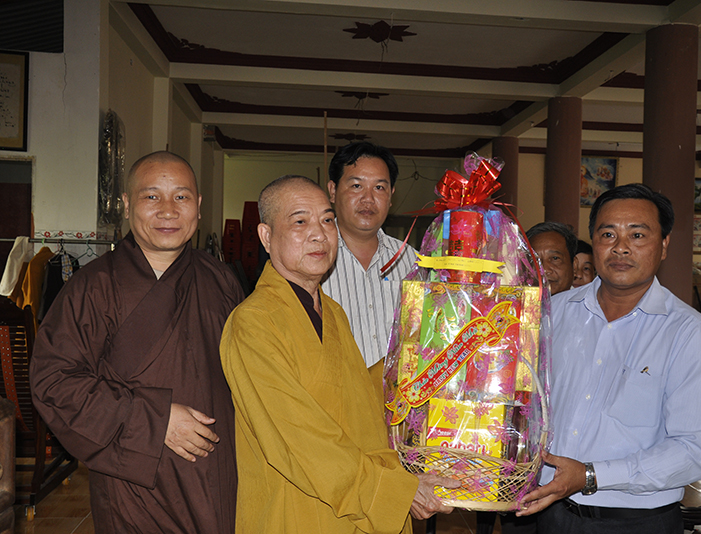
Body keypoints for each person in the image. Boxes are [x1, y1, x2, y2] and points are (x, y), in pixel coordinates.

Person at [220, 175, 458, 534]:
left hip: (350, 511)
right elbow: (299, 441)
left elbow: (353, 395)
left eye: (327, 220)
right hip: (297, 511)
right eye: (300, 222)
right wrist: (393, 492)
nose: (319, 234)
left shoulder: (331, 311)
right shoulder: (252, 323)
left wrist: (427, 358)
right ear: (266, 237)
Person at [30, 151, 244, 533]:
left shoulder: (221, 279)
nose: (168, 210)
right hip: (136, 486)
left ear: (198, 205)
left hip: (218, 476)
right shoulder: (93, 286)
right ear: (128, 205)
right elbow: (53, 382)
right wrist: (156, 421)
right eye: (151, 196)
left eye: (181, 196)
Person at [516, 184, 701, 534]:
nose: (621, 247)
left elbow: (692, 452)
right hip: (550, 513)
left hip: (635, 522)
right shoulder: (551, 314)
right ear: (593, 243)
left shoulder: (690, 334)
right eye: (608, 234)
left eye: (638, 235)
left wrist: (590, 475)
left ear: (664, 245)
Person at [322, 141, 417, 374]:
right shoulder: (313, 257)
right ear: (333, 191)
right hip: (337, 392)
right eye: (356, 186)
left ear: (391, 195)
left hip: (401, 393)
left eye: (379, 188)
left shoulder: (410, 260)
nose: (368, 199)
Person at [526, 222, 578, 295]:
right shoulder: (513, 301)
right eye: (534, 260)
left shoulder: (591, 301)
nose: (544, 270)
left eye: (555, 258)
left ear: (574, 266)